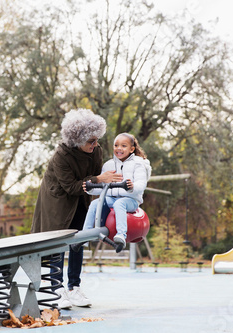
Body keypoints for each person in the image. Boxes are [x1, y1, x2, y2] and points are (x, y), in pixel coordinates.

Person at [31, 108, 122, 310]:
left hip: (82, 198)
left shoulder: (95, 151)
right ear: (77, 139)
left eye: (96, 139)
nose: (96, 144)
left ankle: (74, 287)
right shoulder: (61, 157)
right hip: (57, 200)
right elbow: (71, 187)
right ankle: (57, 288)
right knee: (58, 242)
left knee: (78, 241)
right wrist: (98, 179)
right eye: (91, 141)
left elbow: (98, 177)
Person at [75, 133, 151, 253]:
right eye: (116, 145)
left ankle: (121, 234)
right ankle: (85, 235)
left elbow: (141, 184)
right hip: (112, 198)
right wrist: (90, 189)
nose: (119, 148)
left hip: (131, 200)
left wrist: (132, 187)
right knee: (95, 203)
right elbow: (103, 187)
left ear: (132, 149)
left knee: (119, 204)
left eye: (123, 146)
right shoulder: (108, 165)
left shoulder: (138, 164)